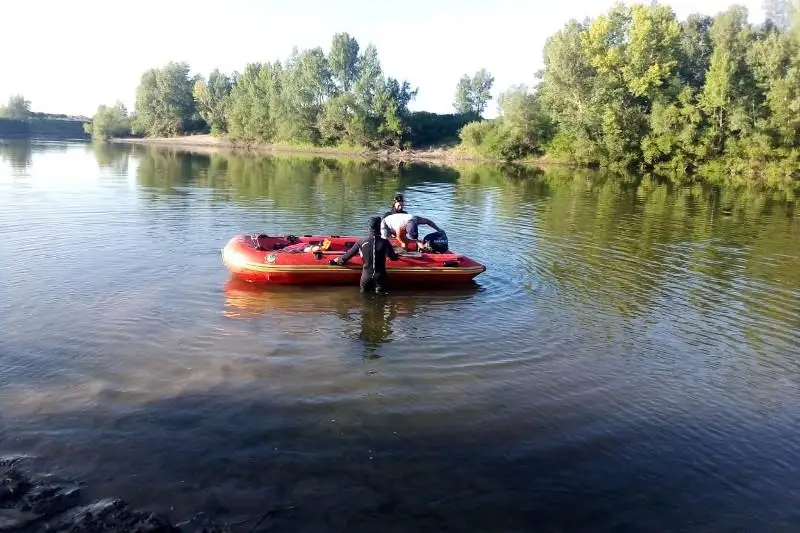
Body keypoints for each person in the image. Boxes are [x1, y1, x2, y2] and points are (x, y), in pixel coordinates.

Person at [331, 216, 399, 293]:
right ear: (379, 227)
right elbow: (393, 258)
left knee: (365, 301)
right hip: (380, 277)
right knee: (381, 301)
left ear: (369, 227)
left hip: (366, 277)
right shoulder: (385, 242)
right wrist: (396, 254)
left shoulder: (361, 242)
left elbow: (346, 256)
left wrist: (335, 260)